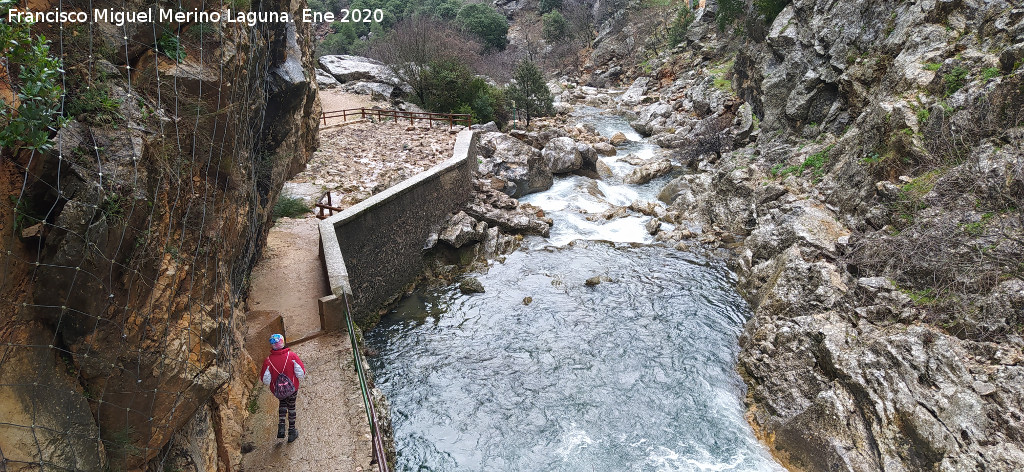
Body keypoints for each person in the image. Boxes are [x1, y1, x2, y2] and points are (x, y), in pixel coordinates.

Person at [261, 333, 307, 443]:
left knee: (282, 404)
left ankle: (281, 427)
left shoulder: (268, 361)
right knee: (291, 407)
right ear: (283, 342)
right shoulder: (292, 356)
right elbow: (301, 373)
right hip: (292, 388)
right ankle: (291, 432)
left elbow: (265, 379)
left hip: (278, 390)